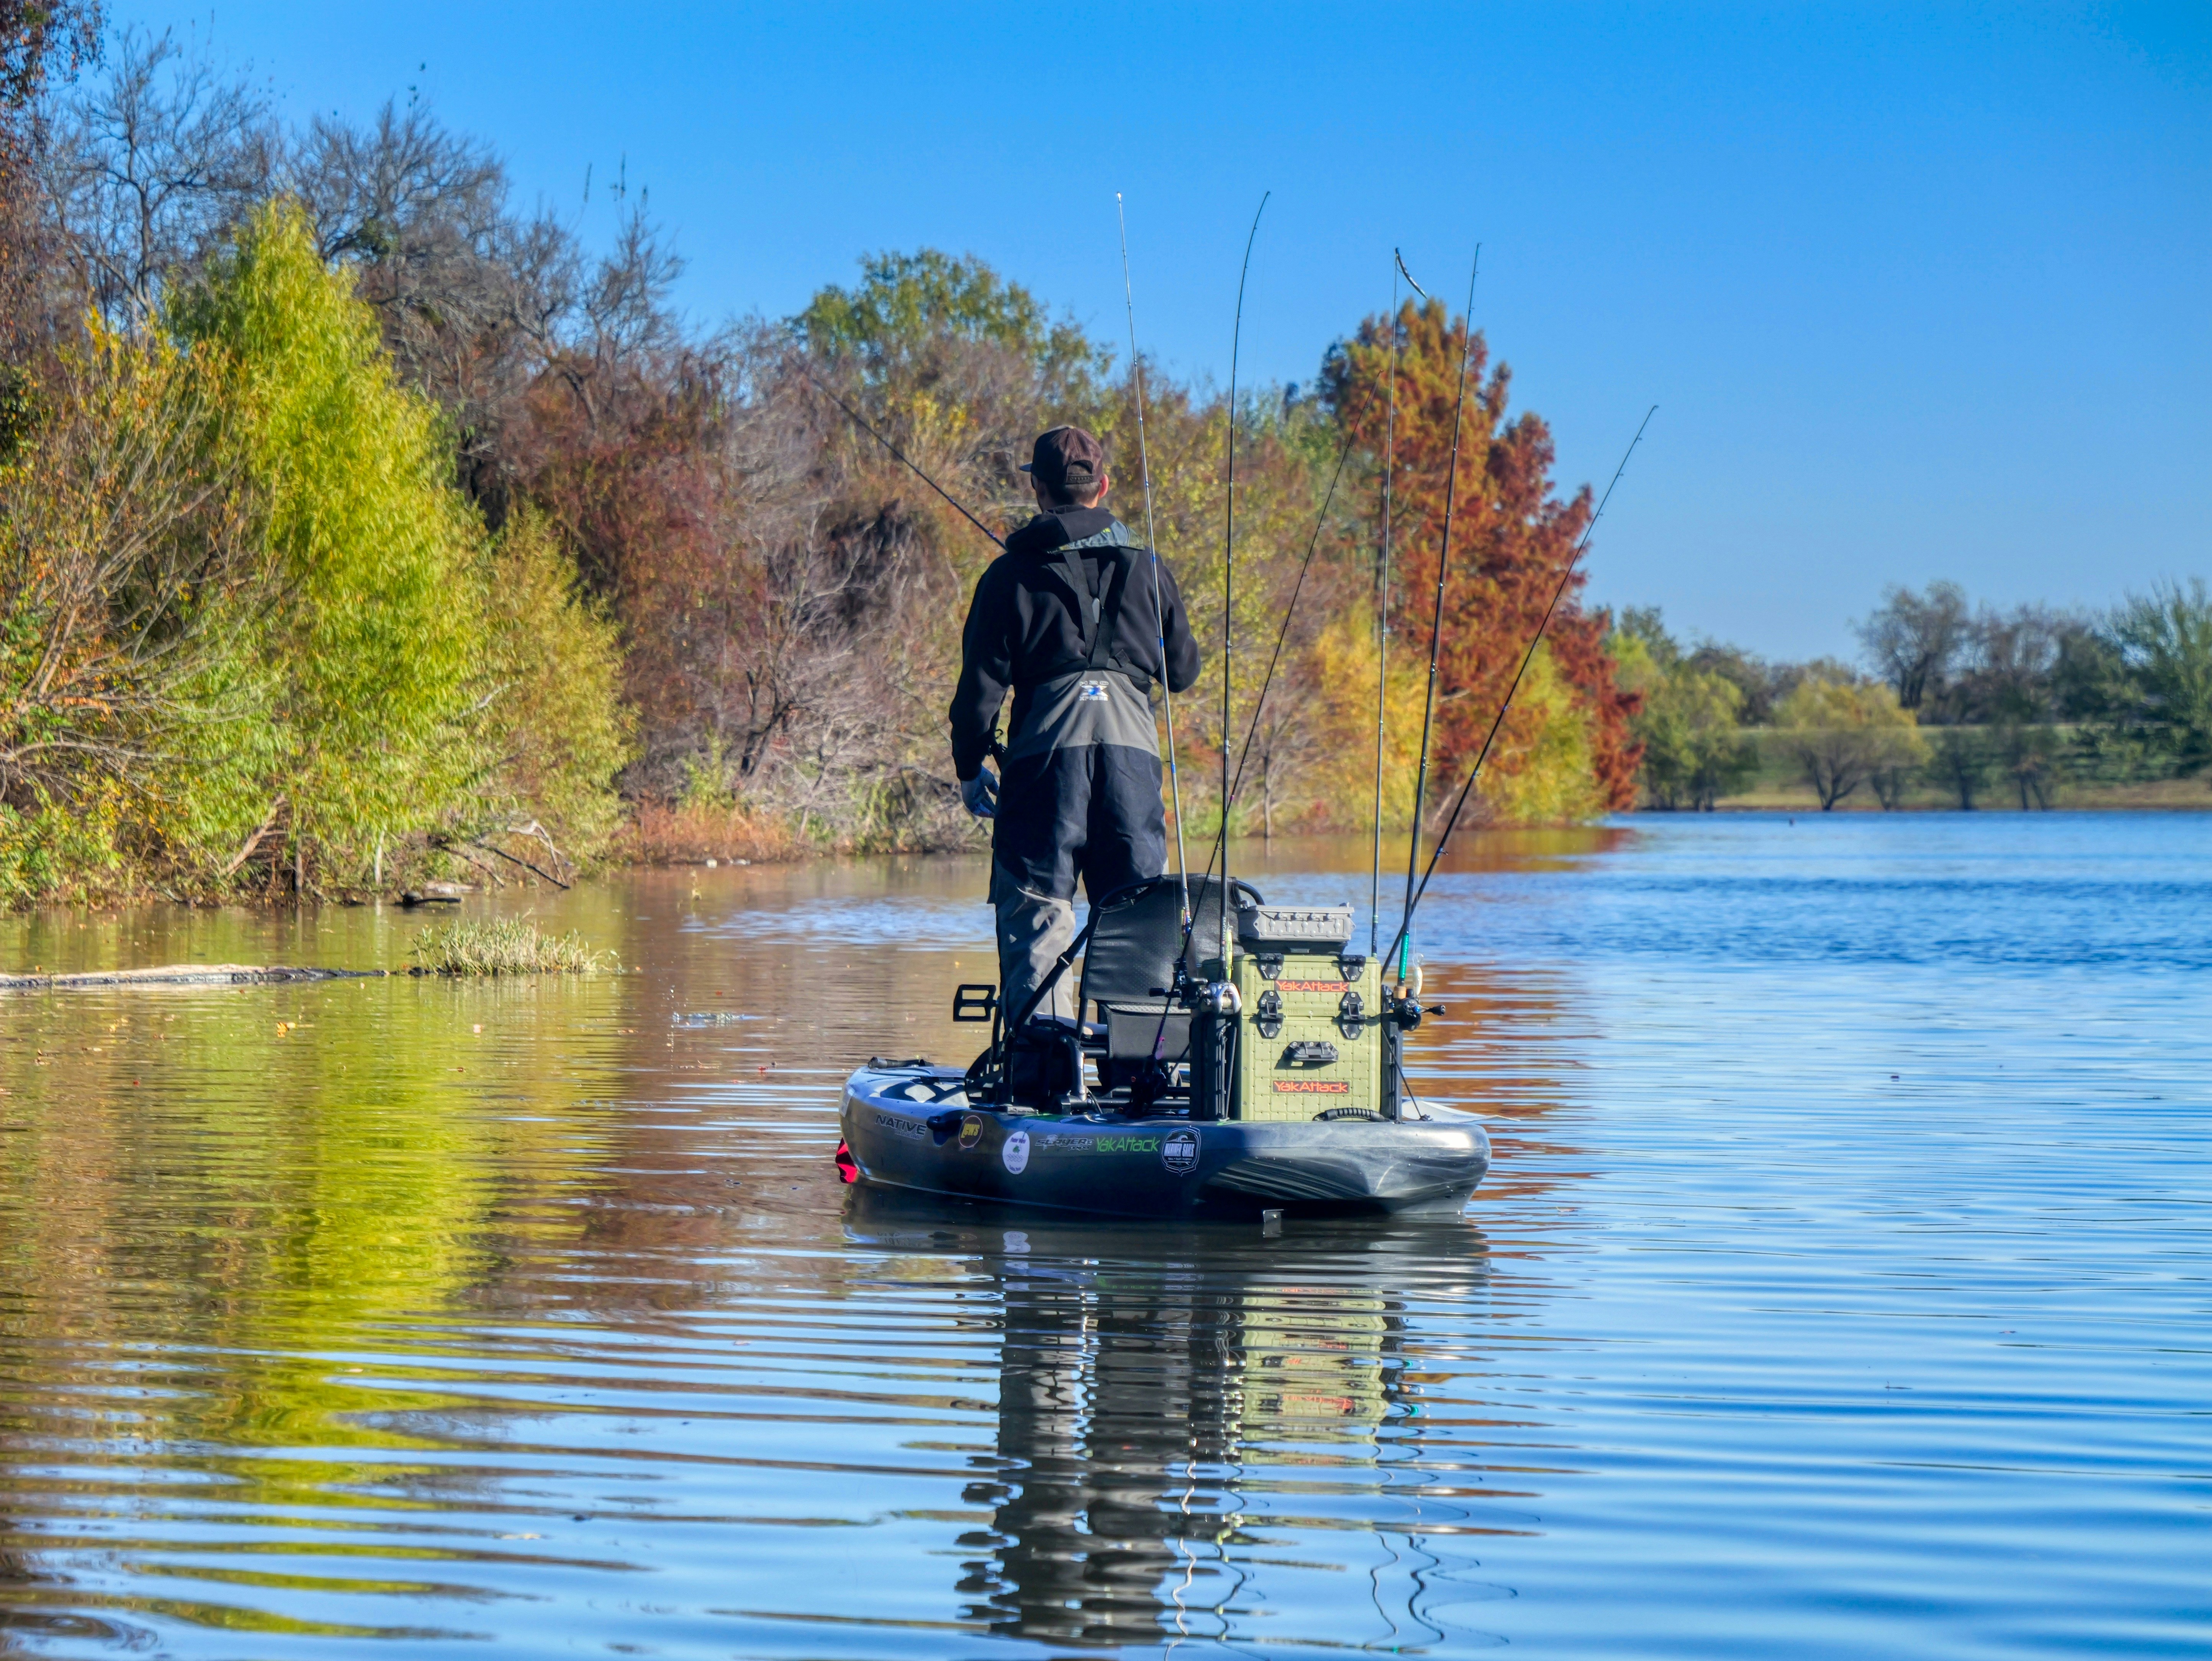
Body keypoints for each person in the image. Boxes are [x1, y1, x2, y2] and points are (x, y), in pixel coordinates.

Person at [949, 425, 1201, 1021]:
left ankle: (1045, 1083)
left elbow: (977, 695)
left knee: (1040, 916)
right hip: (1131, 773)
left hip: (1042, 776)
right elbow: (1184, 671)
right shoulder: (1149, 568)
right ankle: (1138, 1080)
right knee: (1137, 924)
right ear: (1103, 486)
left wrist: (969, 768)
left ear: (1037, 488)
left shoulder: (1007, 577)